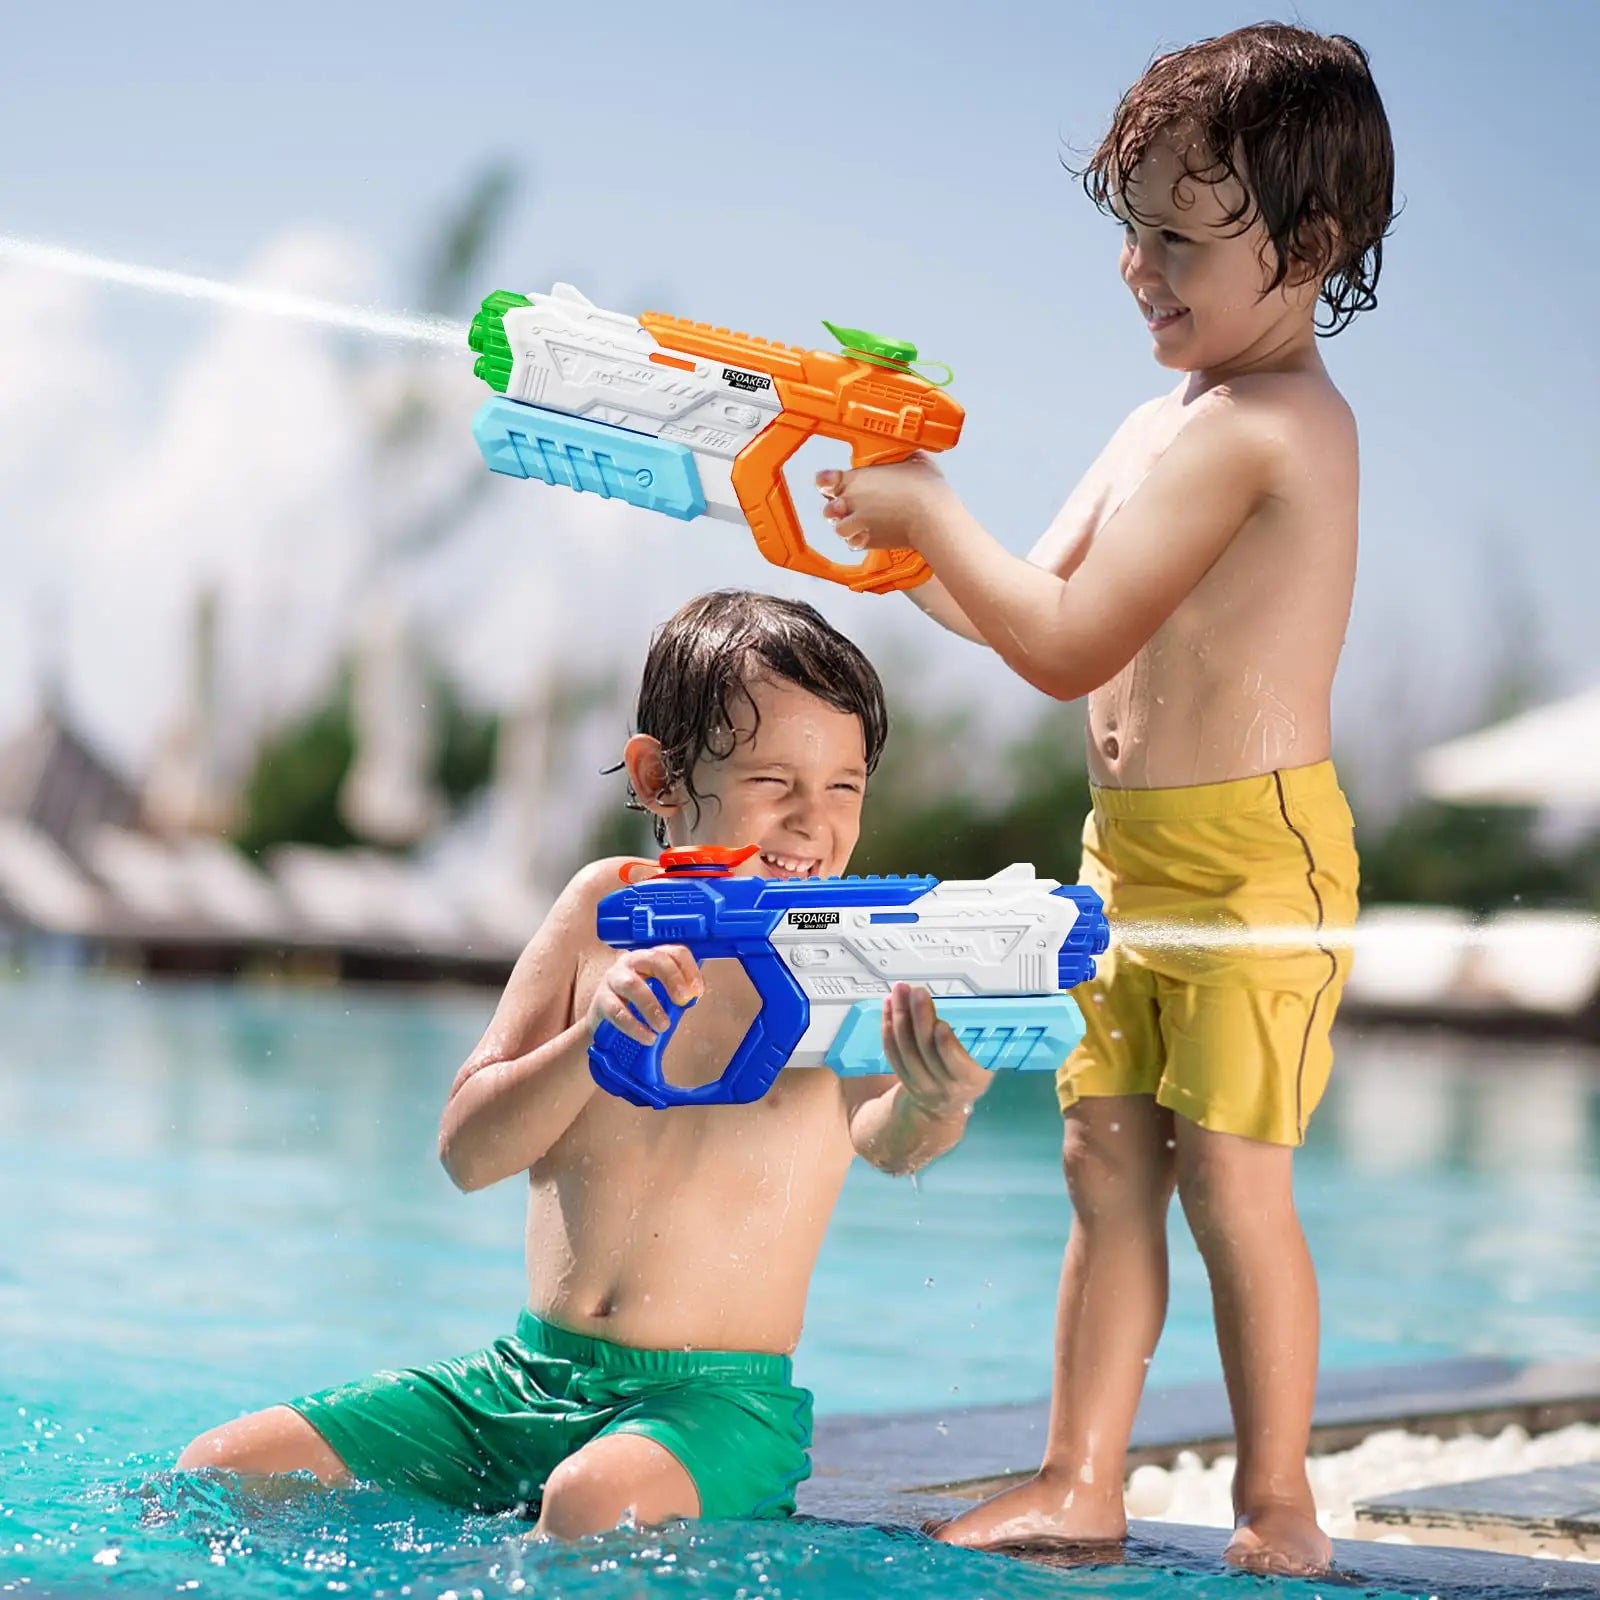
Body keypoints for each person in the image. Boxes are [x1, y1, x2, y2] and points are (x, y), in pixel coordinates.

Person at [815, 22, 1395, 1575]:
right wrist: (889, 537)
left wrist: (932, 512)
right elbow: (1016, 600)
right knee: (1103, 1167)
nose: (1140, 267)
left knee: (1233, 1183)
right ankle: (1084, 1478)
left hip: (1251, 866)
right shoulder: (1160, 425)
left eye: (1179, 237)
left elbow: (1064, 649)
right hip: (1124, 862)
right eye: (1129, 230)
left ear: (1311, 245)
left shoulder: (1274, 432)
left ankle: (1279, 1503)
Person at [176, 589, 996, 1536]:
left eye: (845, 787)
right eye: (776, 782)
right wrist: (589, 1049)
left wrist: (937, 1103)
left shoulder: (847, 950)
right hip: (521, 1383)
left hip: (716, 1407)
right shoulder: (600, 909)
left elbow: (887, 1140)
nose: (815, 822)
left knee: (587, 1501)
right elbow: (465, 1153)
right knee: (221, 1470)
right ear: (658, 778)